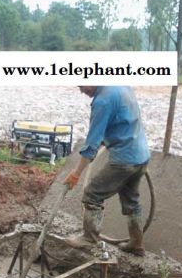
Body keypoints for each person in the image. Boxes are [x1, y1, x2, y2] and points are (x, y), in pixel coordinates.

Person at [63, 86, 150, 257]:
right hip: (141, 155)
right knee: (131, 200)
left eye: (82, 85)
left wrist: (76, 173)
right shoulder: (121, 86)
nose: (81, 90)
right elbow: (122, 120)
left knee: (92, 193)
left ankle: (89, 238)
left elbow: (92, 142)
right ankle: (137, 243)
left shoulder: (102, 100)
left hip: (124, 159)